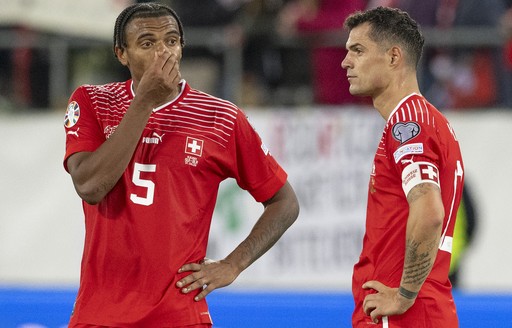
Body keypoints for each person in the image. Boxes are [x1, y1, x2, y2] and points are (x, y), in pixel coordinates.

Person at [62, 3, 299, 327]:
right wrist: (144, 101)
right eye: (147, 43)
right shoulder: (93, 101)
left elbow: (284, 201)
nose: (163, 53)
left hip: (179, 315)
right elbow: (90, 187)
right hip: (99, 314)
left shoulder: (221, 118)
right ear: (122, 53)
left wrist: (234, 264)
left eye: (171, 41)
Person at [341, 7, 465, 327]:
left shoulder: (408, 123)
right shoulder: (423, 119)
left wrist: (404, 295)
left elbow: (429, 211)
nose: (346, 62)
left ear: (394, 57)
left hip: (402, 314)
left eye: (358, 50)